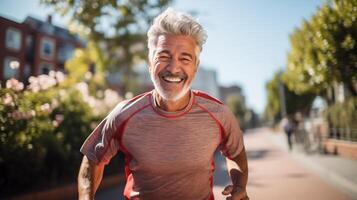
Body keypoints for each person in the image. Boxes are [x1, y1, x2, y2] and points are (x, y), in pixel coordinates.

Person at [78, 8, 249, 200]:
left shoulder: (219, 114)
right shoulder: (124, 114)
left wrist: (240, 185)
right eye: (164, 56)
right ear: (150, 63)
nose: (174, 68)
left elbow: (236, 153)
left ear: (195, 67)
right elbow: (92, 160)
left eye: (185, 58)